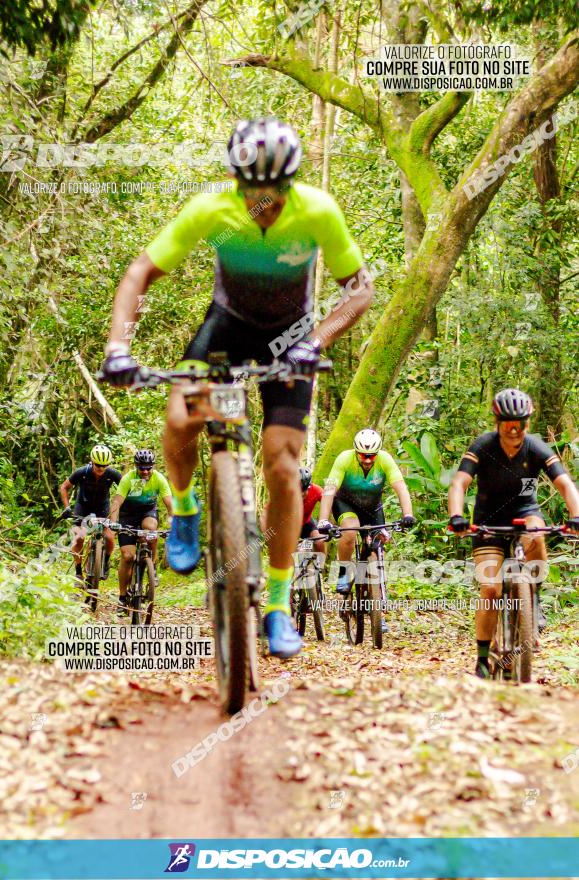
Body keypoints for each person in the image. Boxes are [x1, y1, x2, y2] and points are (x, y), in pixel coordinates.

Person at [101, 117, 374, 657]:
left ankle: (275, 605)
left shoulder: (318, 210)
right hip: (225, 331)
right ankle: (183, 507)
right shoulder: (212, 208)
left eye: (276, 189)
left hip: (291, 340)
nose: (265, 200)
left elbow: (359, 292)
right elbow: (140, 272)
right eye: (254, 188)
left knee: (281, 465)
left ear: (292, 182)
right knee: (180, 419)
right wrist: (118, 347)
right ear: (235, 177)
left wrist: (315, 341)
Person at [447, 388, 579, 679]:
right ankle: (482, 658)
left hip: (525, 514)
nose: (514, 427)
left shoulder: (536, 447)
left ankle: (534, 598)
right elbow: (459, 483)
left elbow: (566, 485)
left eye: (520, 420)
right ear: (497, 421)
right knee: (491, 589)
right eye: (507, 420)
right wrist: (456, 516)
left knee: (536, 533)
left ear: (528, 422)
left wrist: (576, 516)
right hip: (487, 521)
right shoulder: (483, 446)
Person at [317, 428, 416, 630]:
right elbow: (329, 490)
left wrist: (408, 514)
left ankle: (378, 610)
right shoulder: (344, 459)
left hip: (372, 508)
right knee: (350, 531)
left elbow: (401, 487)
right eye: (364, 455)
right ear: (356, 452)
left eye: (372, 456)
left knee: (380, 542)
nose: (368, 459)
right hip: (345, 505)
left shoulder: (385, 460)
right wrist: (323, 520)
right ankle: (344, 574)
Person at [109, 449, 173, 616]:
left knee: (151, 529)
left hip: (147, 513)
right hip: (127, 516)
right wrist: (114, 522)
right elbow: (117, 501)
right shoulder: (128, 478)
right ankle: (122, 598)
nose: (145, 471)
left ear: (153, 467)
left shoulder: (159, 479)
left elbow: (169, 503)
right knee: (128, 556)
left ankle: (151, 564)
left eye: (148, 468)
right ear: (136, 467)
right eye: (141, 468)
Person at [59, 444, 121, 584]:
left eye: (104, 466)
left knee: (110, 537)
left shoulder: (113, 474)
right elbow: (64, 487)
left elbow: (125, 490)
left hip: (102, 508)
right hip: (83, 507)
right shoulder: (82, 472)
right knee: (79, 538)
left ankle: (105, 562)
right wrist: (67, 507)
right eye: (98, 465)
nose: (101, 469)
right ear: (92, 462)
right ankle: (78, 572)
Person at [260, 467, 326, 555]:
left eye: (304, 490)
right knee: (293, 550)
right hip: (286, 526)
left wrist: (326, 523)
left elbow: (329, 501)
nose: (302, 494)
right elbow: (264, 515)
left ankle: (320, 567)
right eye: (298, 491)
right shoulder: (282, 493)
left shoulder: (315, 490)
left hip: (306, 523)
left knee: (320, 542)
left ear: (309, 486)